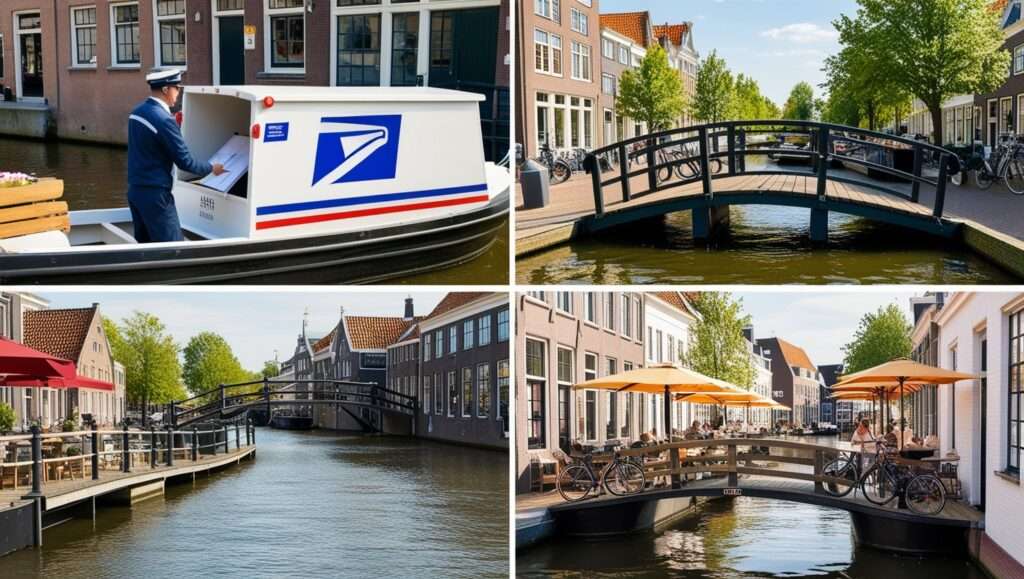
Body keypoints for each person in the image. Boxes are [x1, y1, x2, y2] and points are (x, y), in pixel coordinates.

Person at [127, 68, 225, 243]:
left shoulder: (137, 112)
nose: (178, 93)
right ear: (166, 90)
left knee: (145, 248)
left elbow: (148, 147)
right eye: (177, 88)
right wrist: (212, 168)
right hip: (156, 196)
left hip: (135, 191)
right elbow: (185, 162)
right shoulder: (164, 120)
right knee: (174, 249)